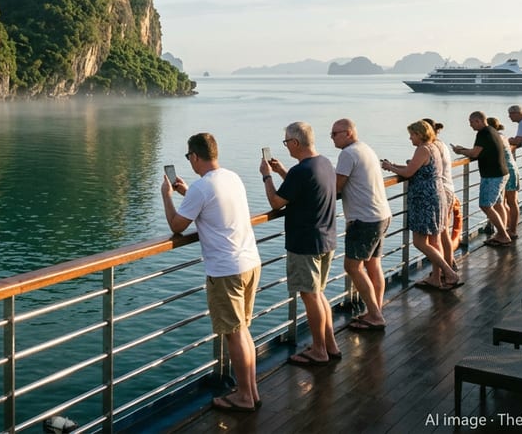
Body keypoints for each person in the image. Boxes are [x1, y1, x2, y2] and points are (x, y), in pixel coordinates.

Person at [161, 132, 262, 412]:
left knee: (234, 333)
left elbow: (177, 226)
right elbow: (213, 204)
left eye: (188, 157)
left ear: (194, 156)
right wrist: (186, 192)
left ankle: (243, 396)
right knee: (243, 331)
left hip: (226, 270)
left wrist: (167, 196)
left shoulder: (201, 188)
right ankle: (251, 391)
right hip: (250, 262)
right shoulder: (232, 177)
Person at [260, 121, 341, 365]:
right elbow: (303, 187)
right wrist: (283, 171)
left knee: (311, 297)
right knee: (319, 295)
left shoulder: (301, 171)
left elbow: (276, 202)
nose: (285, 146)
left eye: (286, 142)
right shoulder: (323, 163)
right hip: (326, 238)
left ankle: (319, 351)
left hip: (305, 243)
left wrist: (266, 176)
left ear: (295, 142)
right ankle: (330, 345)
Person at [381, 121, 461, 289]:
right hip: (435, 196)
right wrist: (392, 166)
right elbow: (415, 167)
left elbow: (409, 172)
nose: (410, 138)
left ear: (419, 134)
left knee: (419, 242)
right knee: (434, 240)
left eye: (412, 134)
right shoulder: (434, 148)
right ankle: (436, 278)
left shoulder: (423, 149)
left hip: (424, 199)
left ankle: (449, 273)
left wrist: (392, 168)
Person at [330, 119, 391, 331]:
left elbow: (336, 187)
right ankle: (376, 311)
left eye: (335, 134)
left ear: (348, 133)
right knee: (373, 264)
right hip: (381, 214)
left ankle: (375, 315)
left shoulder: (347, 154)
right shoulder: (365, 148)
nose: (332, 138)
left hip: (364, 219)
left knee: (352, 266)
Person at [452, 112, 511, 245]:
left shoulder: (483, 133)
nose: (470, 125)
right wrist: (464, 149)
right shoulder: (492, 131)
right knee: (498, 204)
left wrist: (460, 151)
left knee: (485, 205)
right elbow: (480, 150)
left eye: (471, 122)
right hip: (501, 172)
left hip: (492, 176)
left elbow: (474, 153)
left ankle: (503, 235)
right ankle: (502, 232)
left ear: (478, 121)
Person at [423, 118, 460, 271]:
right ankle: (449, 262)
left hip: (441, 190)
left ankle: (444, 270)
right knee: (443, 230)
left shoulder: (431, 147)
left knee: (438, 233)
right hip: (448, 187)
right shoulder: (442, 144)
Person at [486, 116, 520, 240]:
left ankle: (509, 231)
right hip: (510, 168)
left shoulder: (495, 137)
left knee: (508, 202)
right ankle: (509, 229)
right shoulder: (502, 136)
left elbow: (481, 152)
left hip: (506, 170)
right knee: (506, 202)